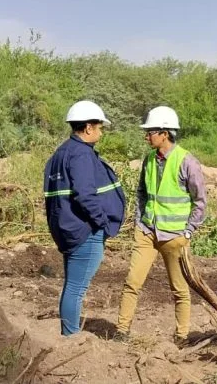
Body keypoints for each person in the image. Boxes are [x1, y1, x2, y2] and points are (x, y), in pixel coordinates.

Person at [115, 106, 207, 347]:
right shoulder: (149, 160)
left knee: (180, 289)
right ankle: (121, 330)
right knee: (132, 282)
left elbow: (200, 202)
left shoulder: (187, 161)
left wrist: (188, 232)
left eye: (150, 132)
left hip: (175, 237)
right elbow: (142, 193)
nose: (147, 136)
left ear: (164, 133)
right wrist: (140, 220)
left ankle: (182, 337)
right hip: (147, 232)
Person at [43, 100, 126, 337]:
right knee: (76, 288)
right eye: (99, 127)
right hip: (83, 231)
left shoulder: (61, 153)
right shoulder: (81, 154)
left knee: (72, 285)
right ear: (88, 128)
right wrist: (102, 223)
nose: (101, 132)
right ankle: (70, 336)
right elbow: (85, 194)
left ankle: (68, 333)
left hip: (67, 229)